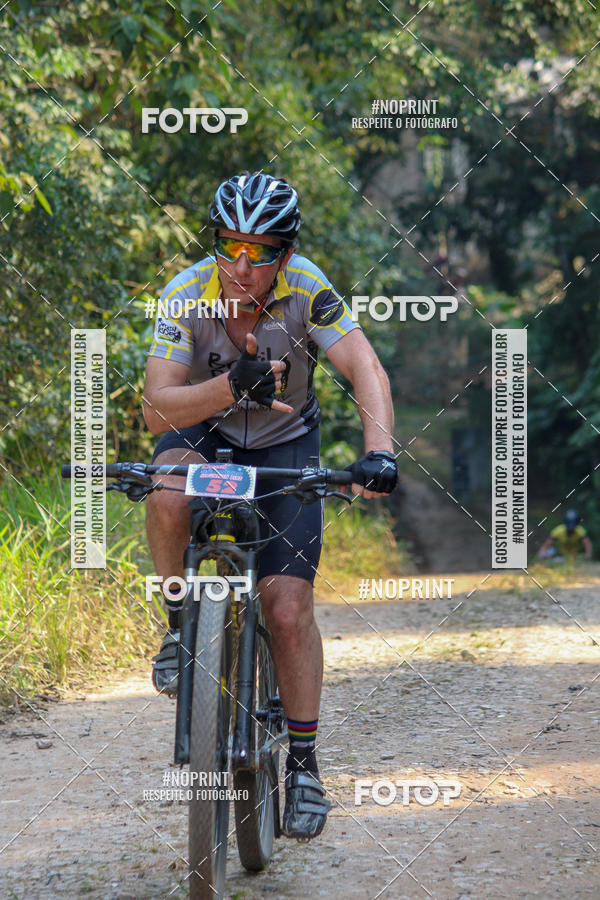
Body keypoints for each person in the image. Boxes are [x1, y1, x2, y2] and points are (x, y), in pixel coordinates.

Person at [142, 172, 397, 840]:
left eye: (259, 251)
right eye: (229, 246)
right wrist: (230, 387)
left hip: (287, 444)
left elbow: (365, 369)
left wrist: (379, 452)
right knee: (166, 491)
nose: (242, 265)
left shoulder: (309, 289)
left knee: (287, 608)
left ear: (285, 254)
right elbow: (156, 409)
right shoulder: (185, 293)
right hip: (204, 432)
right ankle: (179, 626)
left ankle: (305, 767)